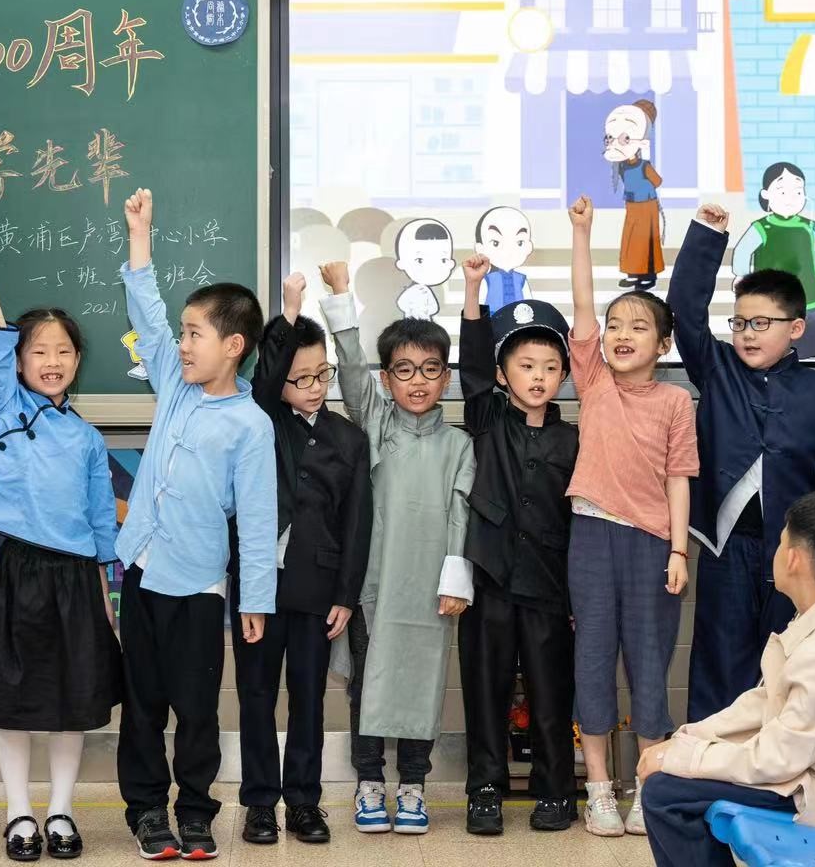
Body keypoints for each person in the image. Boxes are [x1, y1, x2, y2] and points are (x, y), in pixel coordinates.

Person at [115, 188, 278, 861]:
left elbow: (259, 523)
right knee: (142, 703)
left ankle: (195, 811)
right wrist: (141, 236)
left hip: (199, 585)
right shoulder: (174, 383)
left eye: (194, 334)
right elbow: (145, 312)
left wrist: (255, 599)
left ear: (233, 346)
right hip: (142, 569)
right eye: (182, 334)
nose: (181, 344)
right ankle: (146, 810)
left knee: (197, 709)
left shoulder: (251, 424)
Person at [0, 218, 122, 863]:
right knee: (14, 701)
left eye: (63, 352)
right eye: (38, 352)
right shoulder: (10, 409)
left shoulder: (88, 438)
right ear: (20, 363)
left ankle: (61, 811)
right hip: (19, 572)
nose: (51, 362)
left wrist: (107, 595)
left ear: (78, 360)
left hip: (77, 578)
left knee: (71, 701)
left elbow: (102, 524)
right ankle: (19, 812)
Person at [637, 491, 815, 867]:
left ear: (794, 559)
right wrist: (687, 739)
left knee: (666, 794)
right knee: (671, 783)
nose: (776, 551)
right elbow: (765, 702)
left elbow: (775, 759)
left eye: (781, 542)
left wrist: (681, 758)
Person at [668, 204, 815, 722]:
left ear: (796, 327)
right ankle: (711, 760)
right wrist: (707, 235)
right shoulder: (718, 369)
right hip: (727, 547)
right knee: (720, 662)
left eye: (761, 323)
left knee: (789, 665)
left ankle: (780, 760)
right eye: (740, 323)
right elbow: (684, 306)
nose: (747, 334)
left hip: (795, 554)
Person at [320, 259, 475, 837]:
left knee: (423, 681)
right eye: (404, 371)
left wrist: (455, 582)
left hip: (433, 588)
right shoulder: (376, 426)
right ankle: (368, 781)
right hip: (374, 586)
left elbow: (460, 515)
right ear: (386, 380)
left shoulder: (459, 445)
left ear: (445, 378)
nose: (417, 382)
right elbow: (350, 370)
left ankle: (413, 784)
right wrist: (341, 294)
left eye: (430, 370)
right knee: (368, 683)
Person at [566, 196, 697, 837]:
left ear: (663, 343)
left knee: (649, 666)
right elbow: (583, 310)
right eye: (616, 324)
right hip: (591, 536)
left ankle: (648, 787)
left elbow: (679, 479)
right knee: (592, 661)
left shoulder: (675, 402)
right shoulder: (593, 382)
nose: (621, 333)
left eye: (638, 326)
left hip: (651, 546)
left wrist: (678, 551)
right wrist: (582, 233)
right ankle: (598, 790)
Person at [235, 272, 373, 846]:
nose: (314, 387)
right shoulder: (262, 420)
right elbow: (267, 374)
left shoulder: (349, 438)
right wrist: (289, 312)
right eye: (302, 378)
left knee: (310, 699)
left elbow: (357, 523)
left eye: (322, 376)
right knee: (256, 695)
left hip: (318, 589)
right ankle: (259, 803)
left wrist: (346, 594)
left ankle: (304, 803)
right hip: (260, 586)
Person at [457, 253, 580, 836]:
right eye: (525, 365)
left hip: (549, 587)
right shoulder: (487, 420)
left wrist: (578, 597)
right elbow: (472, 367)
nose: (538, 377)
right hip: (491, 581)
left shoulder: (575, 439)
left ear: (564, 376)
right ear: (504, 375)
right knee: (486, 690)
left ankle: (556, 791)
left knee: (552, 693)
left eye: (550, 367)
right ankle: (485, 789)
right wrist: (472, 292)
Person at [731, 161, 815, 360]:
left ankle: (809, 356)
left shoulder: (807, 226)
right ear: (766, 194)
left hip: (807, 291)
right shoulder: (762, 227)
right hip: (770, 295)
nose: (791, 198)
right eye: (783, 192)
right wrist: (741, 275)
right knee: (771, 328)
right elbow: (742, 251)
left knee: (809, 329)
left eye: (798, 192)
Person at [604, 100, 665, 291]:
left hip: (647, 206)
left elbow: (657, 181)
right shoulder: (622, 166)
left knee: (646, 241)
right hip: (631, 205)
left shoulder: (644, 165)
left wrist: (645, 161)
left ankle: (648, 275)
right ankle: (632, 274)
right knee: (631, 240)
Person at [473, 205, 534, 314]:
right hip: (493, 319)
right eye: (495, 243)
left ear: (529, 246)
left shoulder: (521, 279)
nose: (508, 250)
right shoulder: (487, 279)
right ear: (480, 248)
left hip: (518, 320)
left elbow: (530, 303)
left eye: (520, 242)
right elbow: (479, 305)